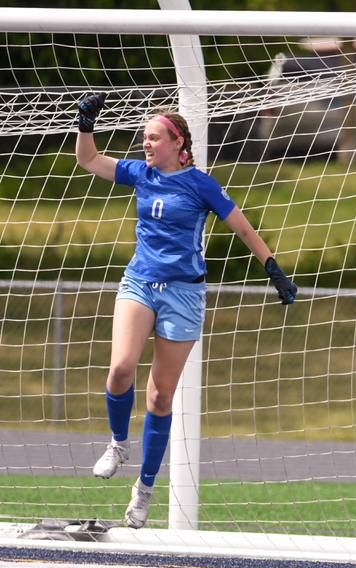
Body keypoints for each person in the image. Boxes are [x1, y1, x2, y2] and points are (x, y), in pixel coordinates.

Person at [75, 93, 297, 529]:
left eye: (154, 138)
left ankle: (143, 490)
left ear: (178, 144)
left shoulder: (200, 185)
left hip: (184, 295)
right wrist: (86, 122)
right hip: (140, 282)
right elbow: (89, 160)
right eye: (144, 138)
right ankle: (118, 443)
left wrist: (273, 269)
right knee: (121, 369)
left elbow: (243, 227)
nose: (146, 145)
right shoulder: (141, 174)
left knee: (160, 396)